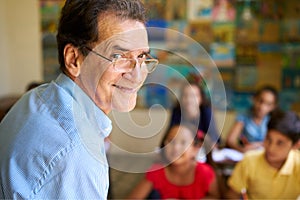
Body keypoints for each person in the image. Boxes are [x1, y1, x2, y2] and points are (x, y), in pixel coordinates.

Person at [0, 0, 158, 199]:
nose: (137, 75)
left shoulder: (37, 97)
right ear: (74, 59)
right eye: (119, 56)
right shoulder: (78, 153)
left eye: (143, 56)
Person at [127, 122, 220, 199]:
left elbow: (215, 197)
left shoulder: (205, 173)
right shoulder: (157, 171)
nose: (175, 147)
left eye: (183, 142)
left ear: (195, 149)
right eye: (171, 141)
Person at [226, 111, 300, 199]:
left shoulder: (298, 164)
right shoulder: (249, 160)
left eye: (280, 143)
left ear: (296, 145)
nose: (271, 148)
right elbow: (232, 195)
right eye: (268, 139)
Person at [226, 85, 279, 153]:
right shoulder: (243, 117)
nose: (262, 107)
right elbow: (230, 141)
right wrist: (242, 150)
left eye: (268, 104)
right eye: (260, 101)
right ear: (254, 99)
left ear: (273, 107)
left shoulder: (273, 121)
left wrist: (260, 145)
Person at [170, 81, 220, 146]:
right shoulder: (177, 111)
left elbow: (214, 141)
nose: (189, 100)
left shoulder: (207, 112)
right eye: (185, 95)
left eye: (193, 96)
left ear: (201, 98)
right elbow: (170, 136)